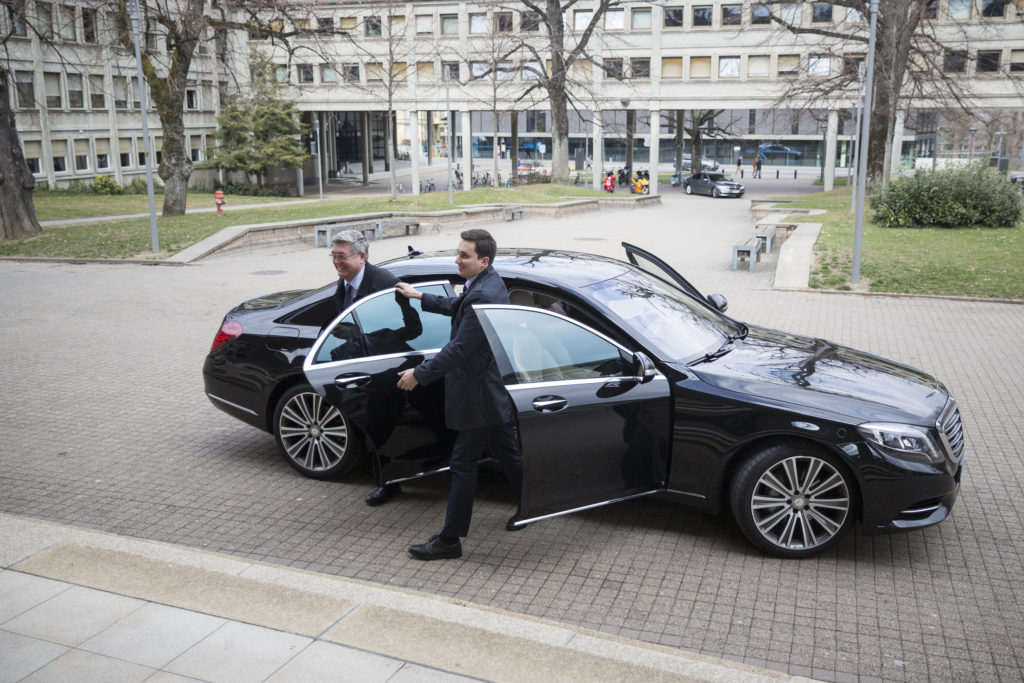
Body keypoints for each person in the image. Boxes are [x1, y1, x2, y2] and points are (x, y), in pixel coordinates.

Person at [395, 229, 523, 561]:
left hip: (478, 395)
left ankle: (450, 540)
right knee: (508, 454)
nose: (457, 260)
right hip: (490, 390)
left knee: (463, 463)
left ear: (484, 260)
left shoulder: (484, 293)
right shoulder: (487, 282)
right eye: (458, 253)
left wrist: (419, 375)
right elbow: (458, 305)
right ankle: (536, 503)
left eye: (464, 256)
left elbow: (460, 349)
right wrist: (419, 296)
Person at [329, 229, 408, 507]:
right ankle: (384, 476)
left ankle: (389, 483)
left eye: (342, 256)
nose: (337, 262)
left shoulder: (385, 284)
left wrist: (360, 335)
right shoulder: (345, 282)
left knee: (383, 424)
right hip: (361, 364)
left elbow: (409, 328)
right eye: (334, 256)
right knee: (371, 422)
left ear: (362, 256)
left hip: (387, 367)